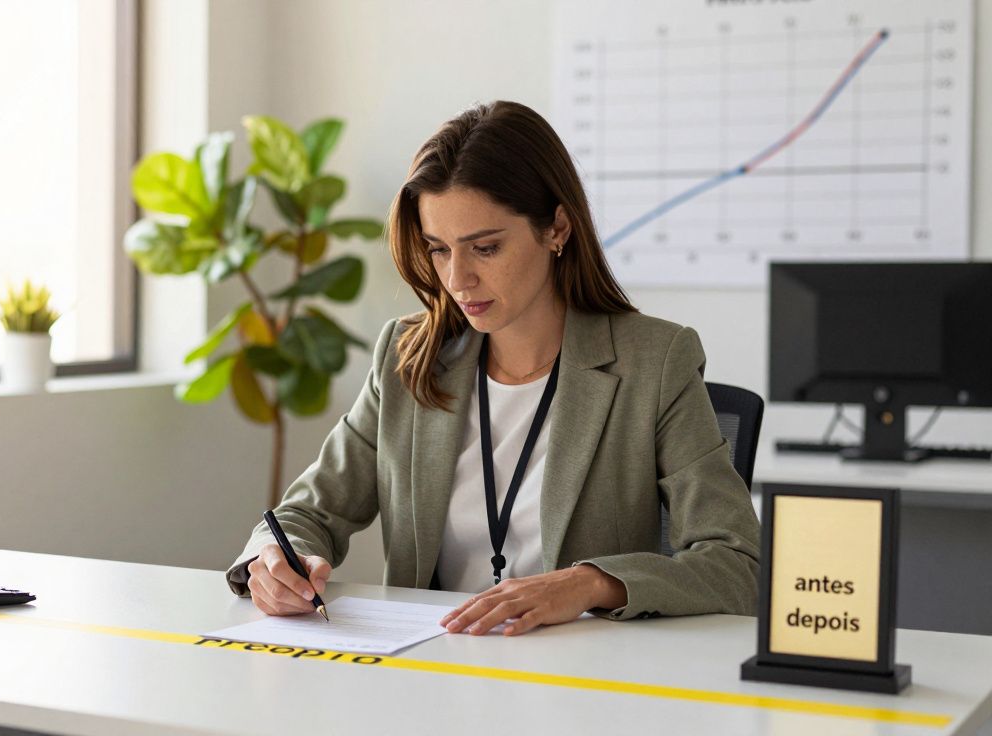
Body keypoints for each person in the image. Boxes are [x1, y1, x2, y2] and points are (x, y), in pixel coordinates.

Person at [225, 100, 760, 637]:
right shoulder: (407, 357)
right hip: (433, 670)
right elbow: (308, 514)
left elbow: (738, 564)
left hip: (580, 683)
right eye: (438, 250)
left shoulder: (654, 362)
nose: (458, 279)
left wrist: (590, 583)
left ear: (556, 228)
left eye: (485, 248)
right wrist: (273, 558)